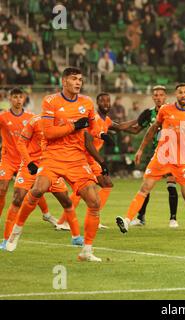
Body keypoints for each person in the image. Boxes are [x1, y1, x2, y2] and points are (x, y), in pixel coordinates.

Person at [5, 67, 105, 262]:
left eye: (80, 80)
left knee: (94, 202)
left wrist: (102, 133)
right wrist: (74, 126)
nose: (78, 82)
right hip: (53, 155)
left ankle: (86, 250)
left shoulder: (87, 102)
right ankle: (16, 231)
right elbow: (49, 133)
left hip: (76, 159)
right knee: (38, 189)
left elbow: (93, 129)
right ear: (64, 81)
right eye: (74, 79)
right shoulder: (50, 101)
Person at [115, 83, 185, 235]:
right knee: (144, 188)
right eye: (180, 92)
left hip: (181, 160)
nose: (183, 95)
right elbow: (152, 130)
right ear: (175, 95)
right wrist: (141, 149)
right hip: (162, 157)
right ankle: (127, 220)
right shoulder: (165, 110)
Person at [54, 92, 136, 231]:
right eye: (103, 101)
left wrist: (139, 119)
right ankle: (70, 221)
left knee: (103, 185)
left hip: (92, 159)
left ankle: (67, 221)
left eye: (108, 101)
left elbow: (121, 126)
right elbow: (88, 143)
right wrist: (101, 161)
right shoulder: (95, 119)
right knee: (91, 187)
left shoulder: (107, 120)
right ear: (97, 104)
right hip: (85, 158)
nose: (106, 103)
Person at [1, 114, 84, 250]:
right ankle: (6, 240)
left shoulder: (62, 123)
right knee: (17, 198)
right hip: (31, 166)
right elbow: (21, 142)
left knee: (66, 201)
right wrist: (29, 163)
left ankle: (76, 237)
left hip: (50, 165)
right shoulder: (35, 121)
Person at [0, 88, 56, 228]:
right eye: (15, 97)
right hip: (8, 159)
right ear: (10, 99)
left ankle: (46, 214)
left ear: (24, 99)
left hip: (26, 159)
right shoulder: (3, 117)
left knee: (35, 187)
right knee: (2, 188)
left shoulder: (31, 117)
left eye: (20, 97)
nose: (18, 100)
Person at [127, 85, 180, 228]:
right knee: (147, 186)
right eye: (155, 95)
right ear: (153, 97)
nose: (158, 98)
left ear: (165, 97)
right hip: (157, 153)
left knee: (171, 184)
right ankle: (141, 217)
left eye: (161, 95)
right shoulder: (148, 114)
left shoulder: (173, 111)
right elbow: (137, 129)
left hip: (172, 153)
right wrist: (115, 126)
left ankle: (173, 219)